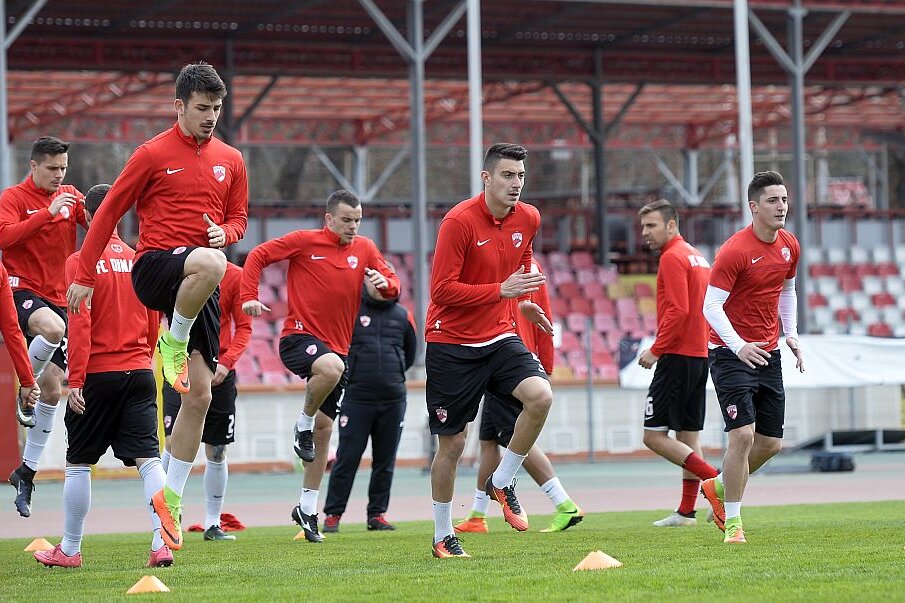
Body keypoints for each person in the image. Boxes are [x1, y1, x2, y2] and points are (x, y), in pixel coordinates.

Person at [66, 62, 248, 552]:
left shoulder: (231, 159)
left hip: (198, 281)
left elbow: (239, 219)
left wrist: (226, 232)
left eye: (217, 108)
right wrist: (84, 274)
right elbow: (108, 210)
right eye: (202, 108)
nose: (211, 117)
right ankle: (174, 340)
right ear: (179, 106)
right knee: (213, 263)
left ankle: (171, 501)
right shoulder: (151, 153)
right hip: (154, 268)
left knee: (201, 396)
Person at [240, 189, 399, 543]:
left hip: (338, 350)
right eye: (346, 220)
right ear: (329, 219)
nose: (353, 226)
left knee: (326, 431)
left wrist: (385, 284)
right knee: (329, 371)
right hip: (298, 338)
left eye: (357, 220)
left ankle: (307, 508)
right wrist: (249, 295)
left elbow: (393, 285)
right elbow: (258, 255)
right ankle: (303, 424)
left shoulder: (365, 249)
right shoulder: (304, 241)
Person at [426, 143, 554, 559]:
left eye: (520, 176)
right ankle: (443, 535)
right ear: (486, 178)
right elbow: (441, 291)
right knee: (452, 445)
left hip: (499, 334)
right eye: (507, 175)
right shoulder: (458, 221)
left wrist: (525, 302)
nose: (515, 183)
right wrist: (501, 291)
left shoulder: (529, 217)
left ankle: (502, 479)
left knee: (540, 396)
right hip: (451, 342)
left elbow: (523, 263)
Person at [35, 184, 171, 568]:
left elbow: (80, 324)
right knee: (149, 460)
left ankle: (70, 549)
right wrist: (143, 358)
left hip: (98, 374)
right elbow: (153, 319)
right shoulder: (139, 259)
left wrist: (76, 380)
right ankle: (161, 543)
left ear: (87, 216)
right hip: (140, 372)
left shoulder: (80, 262)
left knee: (79, 462)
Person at [701, 171, 804, 544]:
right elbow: (711, 306)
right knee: (742, 435)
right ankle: (734, 524)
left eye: (784, 199)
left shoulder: (789, 245)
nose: (781, 207)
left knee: (770, 444)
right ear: (754, 207)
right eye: (773, 200)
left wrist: (790, 334)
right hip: (730, 354)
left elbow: (787, 291)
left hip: (768, 354)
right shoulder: (735, 250)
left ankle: (717, 486)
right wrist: (738, 345)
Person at [454, 258, 583, 534]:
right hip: (504, 358)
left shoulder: (506, 260)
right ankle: (477, 515)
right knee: (489, 440)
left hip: (507, 362)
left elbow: (537, 314)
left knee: (513, 436)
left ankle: (564, 504)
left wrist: (544, 368)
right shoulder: (528, 263)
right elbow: (545, 315)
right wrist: (545, 364)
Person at [0, 135, 88, 518]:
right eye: (52, 168)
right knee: (51, 328)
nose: (59, 175)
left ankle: (27, 472)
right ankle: (26, 386)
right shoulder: (13, 198)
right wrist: (47, 214)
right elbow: (4, 237)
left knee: (53, 391)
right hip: (20, 289)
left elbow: (97, 221)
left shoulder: (70, 195)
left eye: (63, 168)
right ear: (33, 165)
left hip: (59, 296)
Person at [636, 199, 719, 527]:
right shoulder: (696, 256)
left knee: (653, 436)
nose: (645, 232)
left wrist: (657, 350)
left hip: (677, 355)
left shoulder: (672, 257)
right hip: (700, 354)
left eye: (651, 225)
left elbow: (679, 310)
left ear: (671, 225)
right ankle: (686, 512)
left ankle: (716, 480)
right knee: (688, 436)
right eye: (643, 226)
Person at [161, 260, 251, 541]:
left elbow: (244, 328)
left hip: (220, 372)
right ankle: (163, 516)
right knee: (172, 442)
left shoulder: (236, 276)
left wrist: (226, 363)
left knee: (217, 449)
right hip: (181, 366)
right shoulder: (176, 268)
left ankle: (213, 523)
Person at [322, 276, 417, 533]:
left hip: (393, 399)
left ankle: (377, 515)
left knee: (385, 461)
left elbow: (410, 353)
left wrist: (392, 375)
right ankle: (333, 515)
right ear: (365, 283)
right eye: (374, 279)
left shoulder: (403, 315)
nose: (379, 284)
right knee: (347, 458)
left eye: (385, 279)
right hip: (357, 398)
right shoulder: (351, 312)